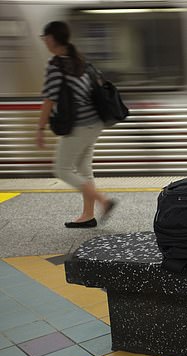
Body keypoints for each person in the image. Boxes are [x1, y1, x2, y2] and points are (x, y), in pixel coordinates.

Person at [35, 21, 116, 228]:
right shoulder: (78, 60)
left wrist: (40, 129)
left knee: (61, 169)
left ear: (52, 39)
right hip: (94, 124)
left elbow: (49, 100)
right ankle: (88, 216)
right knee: (83, 169)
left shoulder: (56, 65)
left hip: (80, 126)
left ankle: (103, 201)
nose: (44, 41)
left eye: (45, 37)